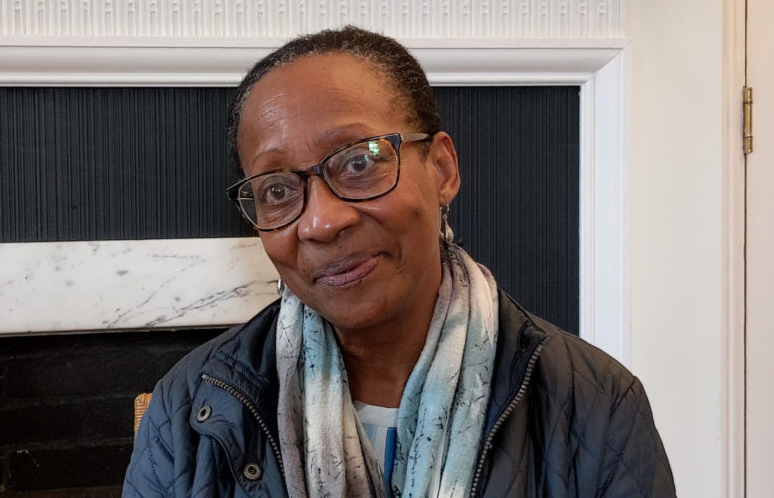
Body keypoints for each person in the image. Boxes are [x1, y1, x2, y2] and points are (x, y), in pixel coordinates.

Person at [122, 26, 676, 498]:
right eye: (275, 190)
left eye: (360, 162)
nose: (320, 222)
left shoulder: (595, 406)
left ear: (441, 169)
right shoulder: (189, 408)